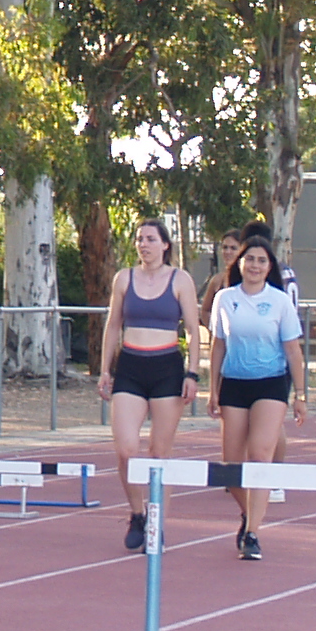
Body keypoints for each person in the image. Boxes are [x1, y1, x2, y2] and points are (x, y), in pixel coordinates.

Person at [205, 235, 303, 561]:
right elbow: (218, 345)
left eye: (262, 261)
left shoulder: (279, 302)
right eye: (250, 260)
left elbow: (293, 350)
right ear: (240, 263)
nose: (255, 266)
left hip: (271, 384)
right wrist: (213, 388)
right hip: (234, 383)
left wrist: (301, 394)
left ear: (269, 266)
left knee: (260, 456)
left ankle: (252, 533)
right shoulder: (225, 298)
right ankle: (249, 512)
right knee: (232, 468)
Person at [98, 217, 192, 552]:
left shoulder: (180, 280)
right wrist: (104, 369)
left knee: (159, 453)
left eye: (151, 239)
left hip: (167, 367)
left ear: (165, 244)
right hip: (131, 366)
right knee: (126, 449)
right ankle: (137, 513)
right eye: (140, 239)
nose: (144, 245)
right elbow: (113, 325)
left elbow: (193, 330)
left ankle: (157, 524)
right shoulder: (124, 278)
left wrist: (192, 373)